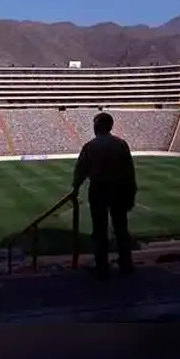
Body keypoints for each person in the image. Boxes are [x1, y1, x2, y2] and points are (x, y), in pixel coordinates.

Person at [71, 112, 137, 279]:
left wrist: (75, 188)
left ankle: (102, 266)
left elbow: (81, 170)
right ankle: (126, 263)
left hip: (99, 190)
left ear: (97, 127)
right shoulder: (121, 144)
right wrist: (131, 193)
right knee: (121, 229)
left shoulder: (90, 146)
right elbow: (129, 171)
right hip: (119, 190)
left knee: (99, 230)